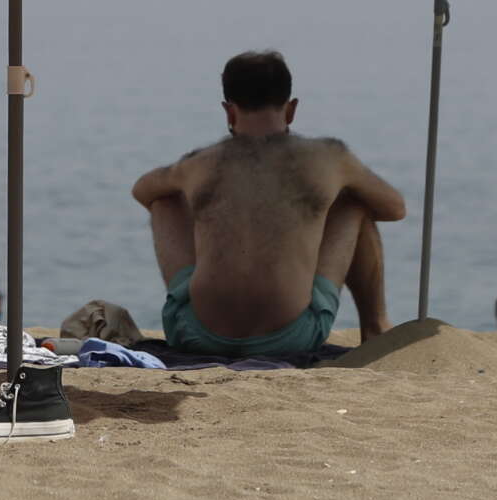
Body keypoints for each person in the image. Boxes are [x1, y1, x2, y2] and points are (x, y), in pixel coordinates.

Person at [131, 50, 403, 355]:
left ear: (229, 112)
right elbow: (394, 208)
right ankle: (375, 326)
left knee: (164, 200)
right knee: (355, 202)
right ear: (291, 109)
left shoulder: (200, 164)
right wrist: (315, 209)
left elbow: (142, 190)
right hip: (292, 336)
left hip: (195, 334)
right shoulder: (330, 157)